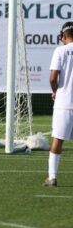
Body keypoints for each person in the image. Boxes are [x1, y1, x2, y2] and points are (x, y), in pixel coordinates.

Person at [43, 22, 73, 187]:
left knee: (57, 139)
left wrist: (56, 91)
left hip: (65, 102)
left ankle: (52, 177)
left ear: (63, 35)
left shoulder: (60, 50)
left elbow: (53, 78)